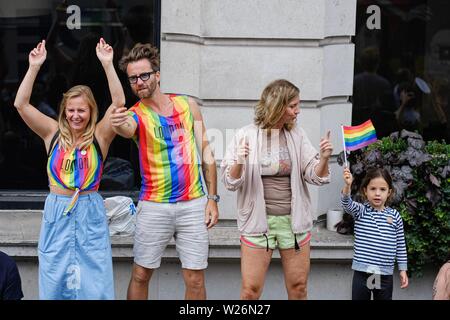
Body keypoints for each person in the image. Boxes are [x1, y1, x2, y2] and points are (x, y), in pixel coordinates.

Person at [13, 38, 125, 299]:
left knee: (95, 287)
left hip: (90, 212)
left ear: (91, 111)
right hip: (57, 212)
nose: (76, 116)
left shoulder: (100, 136)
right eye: (71, 110)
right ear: (64, 112)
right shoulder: (51, 133)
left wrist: (108, 65)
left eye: (82, 111)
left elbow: (118, 103)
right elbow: (21, 104)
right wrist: (33, 67)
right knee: (54, 284)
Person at [110, 43, 219, 300]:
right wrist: (117, 122)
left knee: (195, 277)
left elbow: (206, 152)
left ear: (157, 75)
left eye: (144, 75)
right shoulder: (136, 115)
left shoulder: (187, 105)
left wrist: (212, 199)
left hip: (193, 203)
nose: (139, 82)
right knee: (141, 274)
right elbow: (125, 129)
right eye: (133, 78)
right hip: (154, 205)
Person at [220, 79, 333, 300]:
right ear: (277, 106)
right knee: (250, 292)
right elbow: (230, 182)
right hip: (257, 223)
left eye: (298, 105)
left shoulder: (297, 135)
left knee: (298, 288)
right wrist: (240, 161)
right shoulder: (246, 135)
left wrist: (325, 159)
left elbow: (315, 176)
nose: (297, 111)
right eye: (293, 106)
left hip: (294, 224)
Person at [341, 167, 409, 300]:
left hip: (383, 274)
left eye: (382, 189)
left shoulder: (395, 216)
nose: (377, 193)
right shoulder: (361, 211)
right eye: (373, 189)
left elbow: (400, 245)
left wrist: (403, 269)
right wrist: (347, 186)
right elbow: (346, 203)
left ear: (389, 192)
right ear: (365, 191)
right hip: (363, 272)